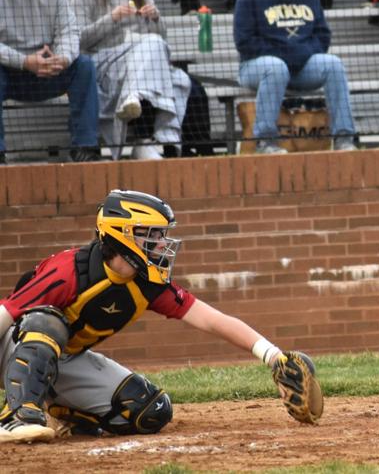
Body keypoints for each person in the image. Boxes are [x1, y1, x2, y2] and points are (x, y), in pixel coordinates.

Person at [0, 189, 315, 443]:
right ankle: (17, 417)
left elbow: (212, 319)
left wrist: (273, 356)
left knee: (150, 411)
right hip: (11, 346)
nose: (162, 243)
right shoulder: (70, 270)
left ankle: (63, 410)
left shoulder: (147, 284)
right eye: (151, 235)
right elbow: (8, 313)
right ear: (122, 234)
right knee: (47, 323)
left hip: (63, 358)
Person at [72, 0, 192, 161]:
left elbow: (162, 38)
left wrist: (155, 19)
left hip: (142, 58)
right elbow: (79, 38)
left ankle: (161, 142)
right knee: (152, 44)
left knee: (180, 79)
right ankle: (136, 97)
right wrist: (111, 19)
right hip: (104, 60)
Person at [235, 0, 357, 153]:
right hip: (255, 66)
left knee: (334, 65)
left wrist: (300, 53)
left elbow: (322, 35)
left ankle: (343, 139)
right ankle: (265, 142)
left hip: (300, 66)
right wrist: (285, 53)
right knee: (276, 67)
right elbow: (244, 42)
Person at [0, 0, 102, 164]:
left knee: (84, 66)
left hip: (50, 69)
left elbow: (69, 30)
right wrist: (25, 61)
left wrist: (61, 59)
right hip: (8, 72)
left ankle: (85, 148)